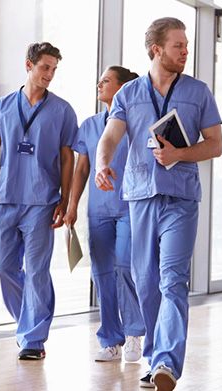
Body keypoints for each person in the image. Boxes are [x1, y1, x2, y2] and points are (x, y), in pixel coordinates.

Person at [94, 17, 222, 391]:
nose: (186, 51)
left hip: (181, 198)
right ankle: (154, 358)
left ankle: (167, 360)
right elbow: (110, 137)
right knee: (147, 282)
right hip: (140, 197)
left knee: (172, 279)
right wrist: (103, 164)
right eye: (178, 45)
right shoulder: (129, 94)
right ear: (157, 50)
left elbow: (214, 143)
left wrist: (180, 153)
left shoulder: (198, 92)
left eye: (186, 45)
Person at [0, 42, 77, 361]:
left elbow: (67, 158)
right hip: (6, 198)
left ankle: (33, 338)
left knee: (36, 271)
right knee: (4, 266)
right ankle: (26, 323)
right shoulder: (4, 106)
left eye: (54, 69)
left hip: (42, 200)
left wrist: (65, 198)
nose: (49, 74)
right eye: (45, 67)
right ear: (29, 65)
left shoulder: (62, 110)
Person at [64, 66, 146, 363]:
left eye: (106, 80)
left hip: (130, 207)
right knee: (101, 275)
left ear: (124, 88)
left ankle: (135, 333)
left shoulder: (137, 123)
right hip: (98, 210)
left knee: (124, 267)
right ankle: (111, 339)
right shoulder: (89, 125)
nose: (99, 84)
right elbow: (82, 169)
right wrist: (72, 206)